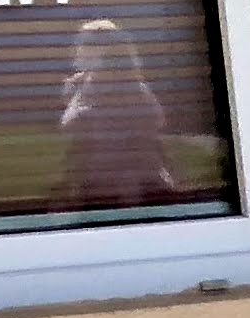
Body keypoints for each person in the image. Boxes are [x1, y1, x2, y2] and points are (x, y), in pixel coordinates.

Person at [55, 19, 176, 209]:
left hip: (129, 188)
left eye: (86, 43)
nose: (79, 49)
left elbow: (155, 121)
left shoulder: (132, 89)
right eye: (80, 42)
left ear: (106, 50)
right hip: (91, 184)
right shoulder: (79, 85)